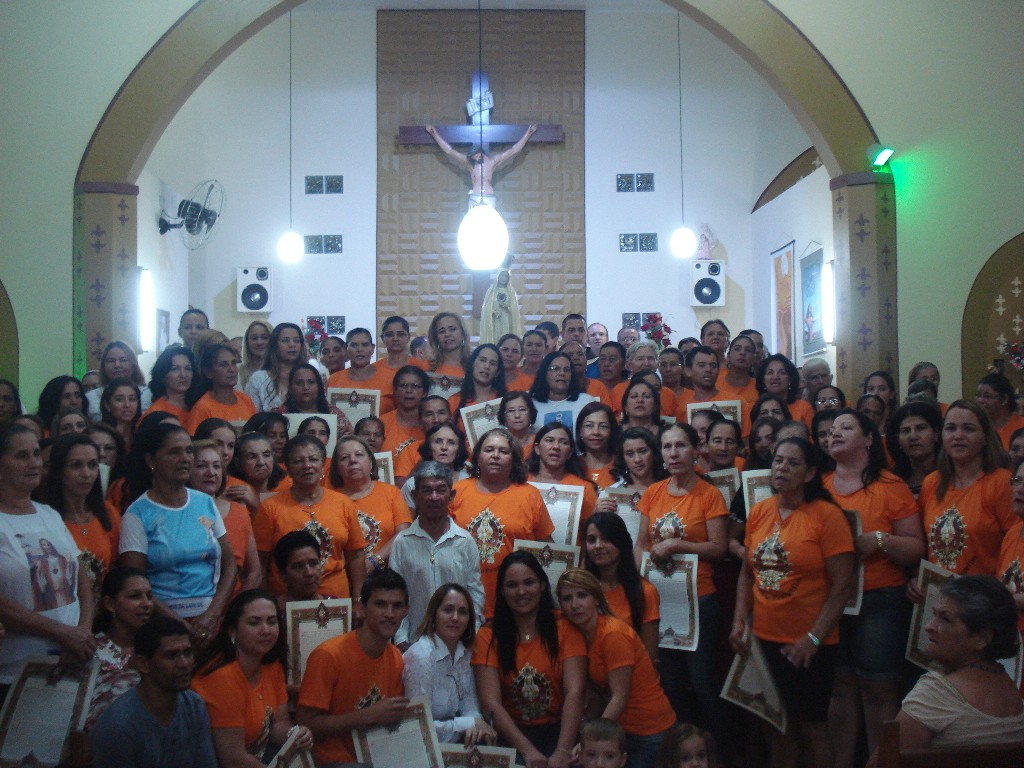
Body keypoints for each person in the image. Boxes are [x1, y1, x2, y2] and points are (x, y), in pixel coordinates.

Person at [729, 437, 855, 768]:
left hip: (808, 644)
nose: (782, 468)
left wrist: (813, 638)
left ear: (810, 473)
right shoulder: (760, 511)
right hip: (764, 638)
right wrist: (739, 621)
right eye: (778, 461)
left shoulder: (827, 516)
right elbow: (747, 574)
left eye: (792, 463)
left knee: (812, 727)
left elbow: (842, 586)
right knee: (776, 725)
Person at [823, 409, 926, 768]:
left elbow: (915, 547)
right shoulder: (819, 487)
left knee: (877, 690)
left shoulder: (890, 485)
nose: (835, 433)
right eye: (832, 430)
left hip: (879, 600)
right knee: (839, 688)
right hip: (832, 602)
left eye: (846, 427)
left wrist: (880, 540)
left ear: (869, 439)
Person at [636, 422, 728, 734]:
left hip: (699, 598)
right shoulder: (653, 492)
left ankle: (714, 747)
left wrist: (678, 545)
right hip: (660, 598)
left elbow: (719, 548)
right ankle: (681, 746)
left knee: (702, 680)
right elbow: (641, 545)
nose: (673, 453)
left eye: (680, 445)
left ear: (695, 450)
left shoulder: (709, 494)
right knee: (670, 681)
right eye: (667, 447)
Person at [869, 575, 1024, 759]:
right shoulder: (1013, 695)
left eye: (946, 619)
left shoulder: (937, 694)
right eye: (934, 615)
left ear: (982, 639)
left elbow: (884, 763)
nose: (929, 626)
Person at [119, 423, 237, 646]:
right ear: (151, 460)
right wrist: (179, 625)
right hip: (162, 625)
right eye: (174, 452)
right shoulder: (137, 514)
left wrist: (212, 615)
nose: (185, 458)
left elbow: (230, 566)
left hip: (211, 621)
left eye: (189, 451)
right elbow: (135, 582)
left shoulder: (205, 502)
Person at [0, 423, 95, 692]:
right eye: (22, 456)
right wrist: (63, 634)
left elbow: (81, 580)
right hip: (14, 671)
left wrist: (82, 634)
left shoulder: (49, 514)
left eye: (36, 454)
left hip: (70, 660)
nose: (34, 463)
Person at [472, 551, 586, 768]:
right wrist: (527, 751)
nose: (521, 591)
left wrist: (562, 751)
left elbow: (575, 690)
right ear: (502, 591)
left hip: (561, 731)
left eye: (529, 582)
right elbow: (490, 703)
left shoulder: (565, 627)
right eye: (512, 585)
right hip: (510, 734)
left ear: (542, 585)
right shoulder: (488, 635)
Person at [557, 569, 676, 767]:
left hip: (649, 731)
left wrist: (589, 740)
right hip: (620, 730)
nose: (575, 605)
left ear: (596, 598)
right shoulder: (581, 634)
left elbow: (619, 696)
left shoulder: (612, 634)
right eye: (567, 598)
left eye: (582, 595)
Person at [297, 569, 411, 766]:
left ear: (406, 611)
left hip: (379, 757)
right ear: (361, 608)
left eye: (397, 606)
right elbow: (305, 724)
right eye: (380, 604)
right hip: (331, 762)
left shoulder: (396, 657)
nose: (389, 614)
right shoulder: (328, 655)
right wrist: (368, 715)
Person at [192, 589, 313, 766]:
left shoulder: (271, 666)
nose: (266, 630)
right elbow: (233, 759)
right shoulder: (222, 678)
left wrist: (295, 734)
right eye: (254, 623)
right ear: (232, 631)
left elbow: (278, 724)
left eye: (272, 621)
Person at [451, 428, 554, 617]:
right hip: (462, 603)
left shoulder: (529, 495)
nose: (495, 455)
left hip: (518, 604)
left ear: (514, 459)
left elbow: (547, 549)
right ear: (478, 456)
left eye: (503, 451)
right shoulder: (457, 491)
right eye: (489, 449)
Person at [89, 615, 217, 768]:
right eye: (171, 655)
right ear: (143, 664)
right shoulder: (118, 726)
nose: (184, 664)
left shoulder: (194, 705)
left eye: (188, 653)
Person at [253, 434, 367, 599]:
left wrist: (358, 599)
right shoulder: (270, 508)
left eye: (313, 459)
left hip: (337, 600)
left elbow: (356, 556)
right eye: (298, 461)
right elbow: (260, 563)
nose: (307, 466)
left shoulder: (343, 503)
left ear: (323, 464)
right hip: (287, 602)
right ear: (288, 468)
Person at [389, 461, 484, 644]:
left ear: (451, 496)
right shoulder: (402, 543)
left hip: (458, 645)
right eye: (426, 490)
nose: (434, 497)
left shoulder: (465, 542)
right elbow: (396, 596)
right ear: (415, 496)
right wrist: (401, 641)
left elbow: (475, 595)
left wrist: (471, 635)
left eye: (441, 490)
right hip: (413, 644)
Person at [918, 400, 1014, 575]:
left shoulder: (1002, 482)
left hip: (986, 589)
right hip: (939, 590)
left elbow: (1016, 544)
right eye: (951, 428)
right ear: (941, 435)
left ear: (985, 437)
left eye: (969, 429)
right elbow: (924, 545)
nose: (958, 436)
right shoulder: (931, 482)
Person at [402, 582, 497, 745]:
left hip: (455, 745)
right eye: (448, 610)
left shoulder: (466, 653)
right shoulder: (421, 656)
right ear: (434, 615)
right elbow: (417, 726)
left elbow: (470, 705)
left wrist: (476, 727)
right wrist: (467, 724)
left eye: (463, 612)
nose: (455, 618)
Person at [43, 433, 119, 593]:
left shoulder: (108, 513)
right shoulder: (44, 519)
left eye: (92, 465)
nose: (86, 474)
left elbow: (117, 568)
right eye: (76, 465)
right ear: (59, 470)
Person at [329, 434, 412, 574]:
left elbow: (403, 532)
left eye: (359, 455)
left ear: (371, 462)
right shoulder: (330, 500)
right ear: (336, 468)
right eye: (345, 457)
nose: (352, 460)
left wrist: (374, 561)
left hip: (387, 574)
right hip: (343, 575)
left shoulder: (391, 492)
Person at [582, 513, 660, 660]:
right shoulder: (582, 589)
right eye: (591, 540)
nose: (598, 546)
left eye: (606, 539)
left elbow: (650, 657)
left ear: (622, 542)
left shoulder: (645, 592)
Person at [189, 439, 261, 594]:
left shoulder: (239, 511)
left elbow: (254, 572)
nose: (211, 472)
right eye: (201, 466)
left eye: (216, 466)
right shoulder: (176, 512)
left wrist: (238, 606)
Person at [86, 566, 153, 731]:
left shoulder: (157, 650)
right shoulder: (91, 651)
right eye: (135, 596)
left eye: (149, 596)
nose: (146, 604)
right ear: (110, 604)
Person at [425, 123, 537, 205]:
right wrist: (434, 133)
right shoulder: (469, 162)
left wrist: (528, 133)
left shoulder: (492, 162)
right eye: (473, 157)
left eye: (476, 155)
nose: (475, 158)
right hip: (475, 195)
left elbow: (514, 150)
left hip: (489, 196)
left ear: (480, 153)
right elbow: (449, 151)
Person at [527, 421, 599, 530]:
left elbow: (591, 531)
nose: (556, 446)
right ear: (537, 448)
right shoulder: (521, 483)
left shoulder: (584, 488)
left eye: (563, 442)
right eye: (549, 440)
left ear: (570, 453)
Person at [185, 343, 256, 434]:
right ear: (208, 372)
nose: (232, 370)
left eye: (233, 363)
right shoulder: (202, 409)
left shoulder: (246, 400)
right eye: (223, 365)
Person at [399, 422, 471, 511]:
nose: (444, 447)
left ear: (459, 450)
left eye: (451, 442)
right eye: (438, 441)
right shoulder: (412, 485)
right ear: (429, 448)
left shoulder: (469, 480)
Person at [324, 327, 396, 413]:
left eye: (365, 345)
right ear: (346, 349)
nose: (359, 349)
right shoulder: (334, 380)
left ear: (373, 348)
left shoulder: (391, 378)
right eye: (354, 345)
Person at [245, 322, 307, 412]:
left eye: (296, 341)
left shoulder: (310, 376)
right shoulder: (258, 379)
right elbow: (251, 415)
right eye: (285, 340)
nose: (292, 345)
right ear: (275, 345)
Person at [86, 340, 153, 421]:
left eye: (123, 360)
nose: (117, 365)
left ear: (133, 364)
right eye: (111, 361)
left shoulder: (147, 394)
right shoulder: (91, 397)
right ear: (103, 366)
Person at [887, 400, 942, 497]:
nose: (913, 436)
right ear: (897, 439)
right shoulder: (891, 483)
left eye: (921, 428)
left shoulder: (952, 478)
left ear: (936, 433)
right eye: (905, 431)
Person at [529, 350, 596, 429]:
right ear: (544, 373)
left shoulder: (585, 401)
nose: (562, 373)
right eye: (555, 369)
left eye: (567, 370)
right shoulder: (531, 403)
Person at [381, 364, 430, 462]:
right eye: (403, 386)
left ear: (424, 392)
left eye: (415, 386)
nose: (409, 390)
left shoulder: (432, 423)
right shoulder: (382, 423)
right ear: (395, 391)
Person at [756, 353, 813, 429]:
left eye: (782, 372)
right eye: (770, 372)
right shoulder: (756, 408)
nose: (775, 377)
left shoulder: (804, 408)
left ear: (790, 379)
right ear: (763, 380)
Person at [451, 343, 507, 418]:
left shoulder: (506, 401)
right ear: (472, 364)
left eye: (492, 363)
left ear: (497, 372)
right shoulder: (454, 401)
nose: (487, 366)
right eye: (482, 360)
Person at [144, 346, 196, 424]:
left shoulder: (197, 406)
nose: (183, 375)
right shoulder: (156, 413)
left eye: (187, 368)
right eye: (175, 369)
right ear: (162, 376)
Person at [228, 432, 286, 499]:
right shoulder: (231, 491)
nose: (261, 462)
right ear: (237, 463)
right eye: (252, 457)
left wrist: (256, 501)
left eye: (266, 455)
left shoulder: (287, 487)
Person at [577, 402, 620, 489]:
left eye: (603, 426)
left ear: (611, 431)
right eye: (589, 426)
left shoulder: (622, 464)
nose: (596, 432)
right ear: (580, 431)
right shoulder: (572, 465)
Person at [976, 372, 1024, 449]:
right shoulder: (976, 426)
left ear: (1004, 399)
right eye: (978, 395)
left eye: (987, 396)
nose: (980, 400)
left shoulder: (1021, 425)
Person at [480, 267, 524, 344]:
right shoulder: (491, 291)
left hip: (506, 320)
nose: (504, 278)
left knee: (505, 339)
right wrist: (492, 312)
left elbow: (515, 310)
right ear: (498, 276)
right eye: (502, 275)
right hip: (494, 320)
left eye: (506, 276)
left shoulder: (511, 292)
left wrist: (507, 308)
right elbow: (486, 307)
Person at [426, 311, 471, 383]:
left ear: (463, 334)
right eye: (442, 331)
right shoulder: (428, 367)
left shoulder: (474, 365)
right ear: (436, 338)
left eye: (452, 329)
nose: (447, 334)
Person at [99, 377, 141, 450]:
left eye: (132, 399)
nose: (127, 405)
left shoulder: (143, 432)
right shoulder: (99, 435)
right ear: (107, 405)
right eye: (119, 399)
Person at [498, 390, 538, 459]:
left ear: (531, 414)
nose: (517, 415)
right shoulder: (498, 445)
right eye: (511, 411)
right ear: (503, 417)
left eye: (522, 409)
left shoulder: (540, 441)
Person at [238, 320, 272, 391]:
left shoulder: (282, 372)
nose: (259, 342)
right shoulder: (236, 371)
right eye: (254, 338)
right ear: (247, 342)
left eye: (264, 338)